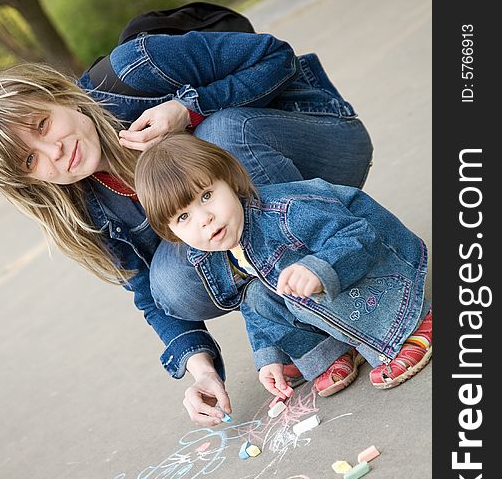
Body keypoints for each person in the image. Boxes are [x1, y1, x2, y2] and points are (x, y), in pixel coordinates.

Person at [0, 30, 373, 426]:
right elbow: (148, 293)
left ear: (60, 97)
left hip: (322, 146)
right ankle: (299, 317)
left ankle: (355, 295)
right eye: (31, 161)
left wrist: (189, 110)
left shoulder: (134, 68)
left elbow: (277, 57)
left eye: (43, 125)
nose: (55, 153)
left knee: (219, 137)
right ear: (27, 182)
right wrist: (201, 370)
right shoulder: (87, 208)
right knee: (168, 283)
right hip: (263, 231)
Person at [134, 133, 432, 394]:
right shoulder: (215, 251)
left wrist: (319, 266)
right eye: (183, 218)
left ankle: (410, 325)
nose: (204, 219)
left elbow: (361, 236)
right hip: (337, 286)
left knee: (302, 282)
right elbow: (253, 310)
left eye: (207, 196)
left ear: (230, 179)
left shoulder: (285, 214)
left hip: (385, 264)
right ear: (172, 232)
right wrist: (269, 356)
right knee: (255, 296)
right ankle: (331, 352)